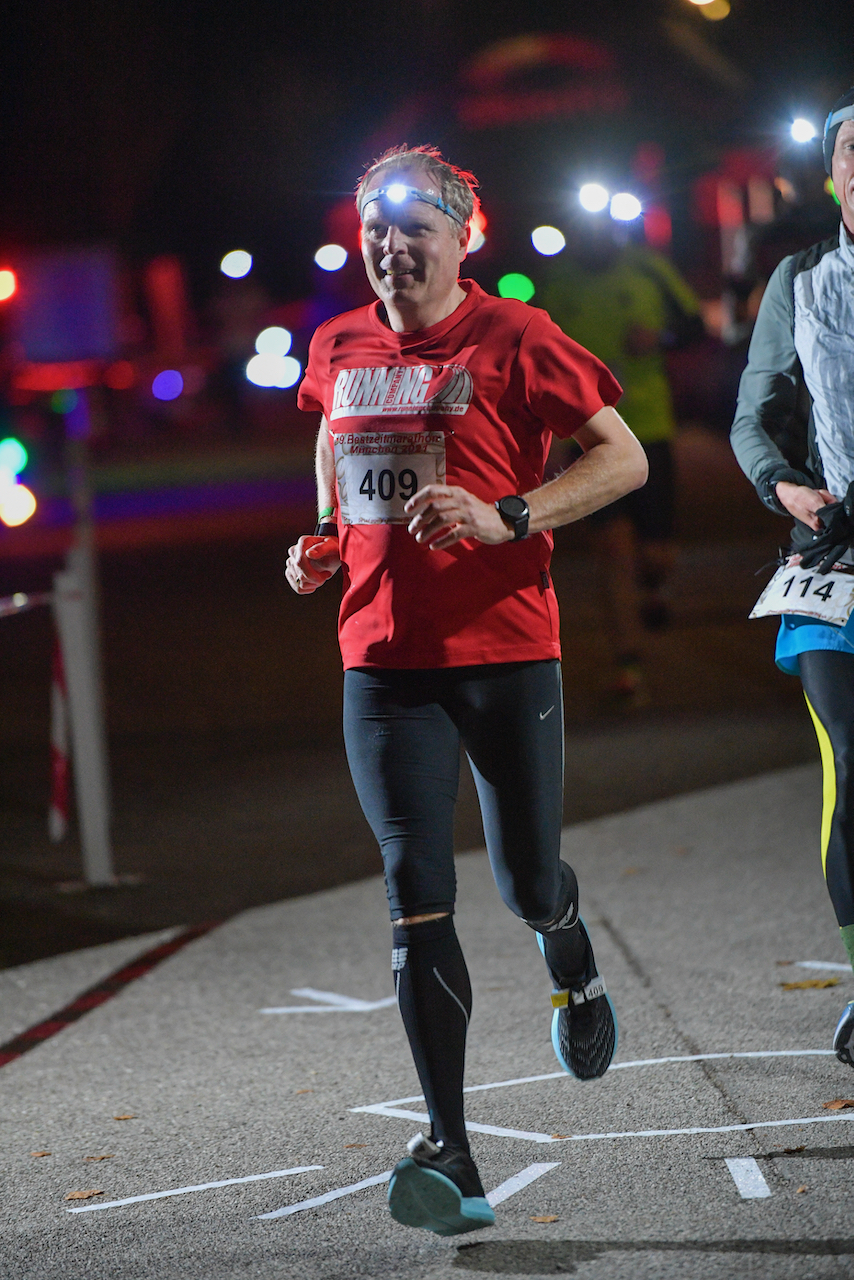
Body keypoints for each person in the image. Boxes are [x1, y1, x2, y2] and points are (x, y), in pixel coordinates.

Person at [286, 145, 648, 1236]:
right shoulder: (338, 341)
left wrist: (511, 515)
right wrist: (319, 542)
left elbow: (621, 457)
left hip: (502, 652)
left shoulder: (515, 337)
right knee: (414, 887)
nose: (391, 251)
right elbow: (330, 436)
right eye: (375, 233)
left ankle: (567, 950)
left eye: (414, 232)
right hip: (382, 668)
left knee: (527, 877)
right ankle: (454, 1150)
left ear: (462, 238)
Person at [731, 88, 854, 1070]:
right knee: (849, 762)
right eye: (853, 149)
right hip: (834, 562)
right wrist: (784, 486)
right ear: (831, 170)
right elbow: (749, 417)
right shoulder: (799, 278)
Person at [542, 216, 703, 707]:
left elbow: (694, 326)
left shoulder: (648, 269)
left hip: (650, 430)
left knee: (654, 557)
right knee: (612, 551)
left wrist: (660, 341)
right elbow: (538, 355)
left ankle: (654, 584)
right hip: (588, 438)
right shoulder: (558, 284)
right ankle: (628, 664)